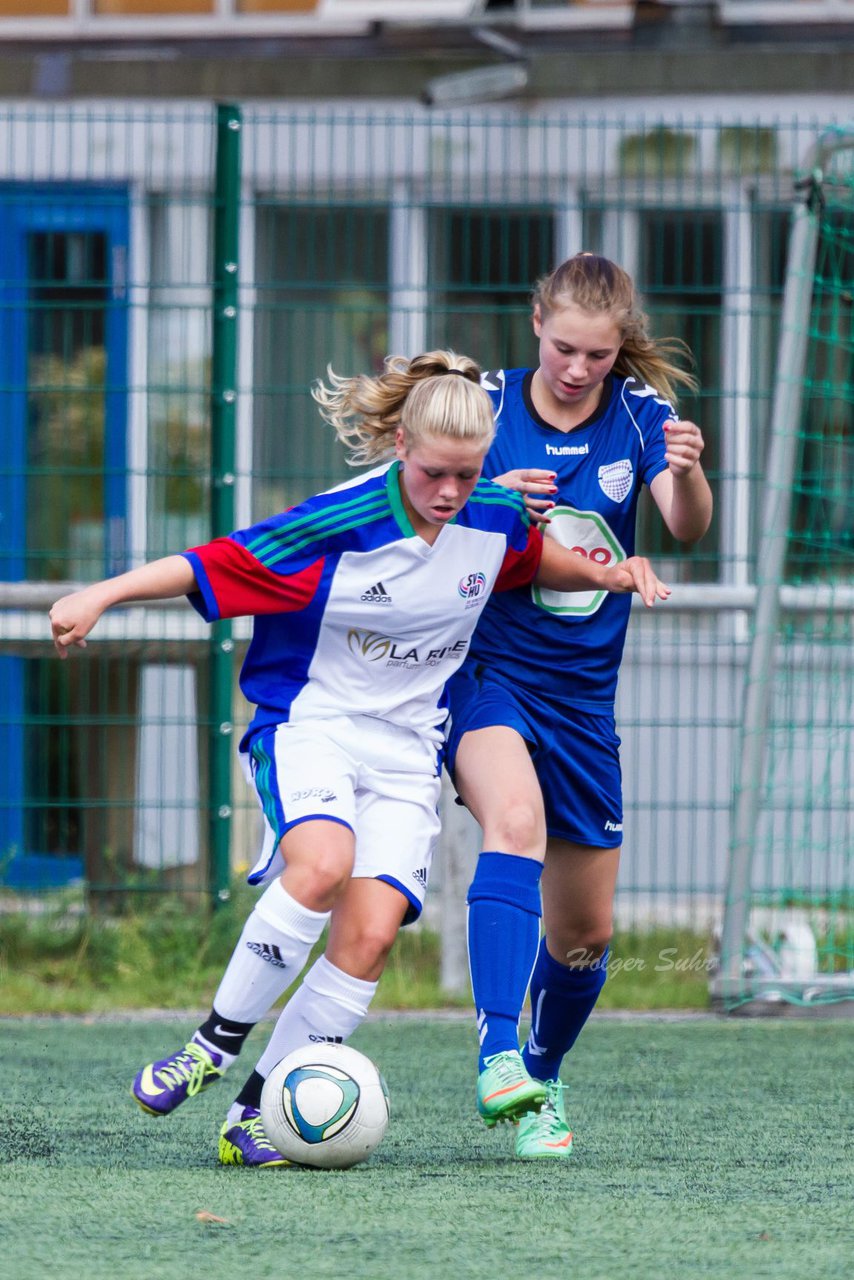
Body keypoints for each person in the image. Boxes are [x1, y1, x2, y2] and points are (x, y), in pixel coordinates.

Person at [50, 348, 670, 1167]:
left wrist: (612, 572)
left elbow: (528, 559)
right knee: (320, 865)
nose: (451, 493)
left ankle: (252, 1111)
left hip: (407, 749)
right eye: (436, 474)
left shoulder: (490, 512)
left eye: (469, 474)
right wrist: (98, 594)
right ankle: (210, 1045)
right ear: (403, 449)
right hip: (314, 725)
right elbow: (209, 565)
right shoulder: (337, 523)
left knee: (372, 931)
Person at [445, 253, 713, 1157]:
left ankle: (543, 1075)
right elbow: (422, 500)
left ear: (620, 348)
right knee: (511, 818)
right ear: (536, 328)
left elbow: (683, 521)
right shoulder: (482, 404)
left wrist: (686, 473)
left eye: (598, 356)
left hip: (584, 702)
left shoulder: (641, 417)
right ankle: (494, 1050)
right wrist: (487, 496)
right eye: (564, 349)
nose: (577, 369)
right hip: (487, 673)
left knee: (588, 934)